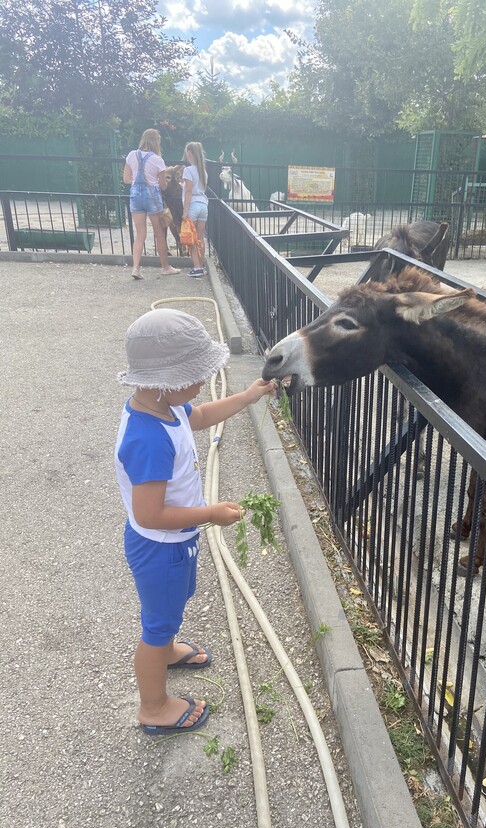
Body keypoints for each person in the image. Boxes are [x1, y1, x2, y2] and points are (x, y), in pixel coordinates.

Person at [114, 308, 276, 735]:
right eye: (197, 373)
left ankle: (168, 649)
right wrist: (210, 513)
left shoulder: (166, 406)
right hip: (159, 546)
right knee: (156, 624)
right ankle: (153, 706)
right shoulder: (147, 438)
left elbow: (198, 417)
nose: (204, 379)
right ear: (164, 379)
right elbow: (150, 513)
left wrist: (247, 396)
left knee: (174, 604)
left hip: (175, 542)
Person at [123, 128, 180, 280]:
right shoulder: (157, 160)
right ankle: (165, 267)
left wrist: (137, 181)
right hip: (152, 196)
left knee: (140, 233)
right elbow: (163, 186)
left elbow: (126, 179)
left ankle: (136, 267)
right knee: (159, 233)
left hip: (135, 195)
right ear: (156, 142)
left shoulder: (131, 155)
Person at [181, 141, 209, 278]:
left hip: (192, 205)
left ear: (190, 153)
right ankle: (201, 265)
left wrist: (185, 210)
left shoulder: (188, 170)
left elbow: (188, 191)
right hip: (203, 205)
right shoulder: (202, 171)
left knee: (190, 238)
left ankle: (196, 267)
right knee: (200, 237)